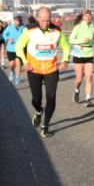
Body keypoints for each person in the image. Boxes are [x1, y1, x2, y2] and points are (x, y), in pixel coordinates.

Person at [15, 7, 70, 138]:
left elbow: (66, 46)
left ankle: (45, 125)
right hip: (34, 69)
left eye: (48, 20)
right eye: (43, 20)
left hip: (51, 69)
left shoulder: (57, 31)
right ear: (38, 18)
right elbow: (19, 46)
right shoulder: (29, 30)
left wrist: (65, 59)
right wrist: (25, 62)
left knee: (51, 97)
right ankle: (39, 112)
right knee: (36, 99)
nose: (45, 23)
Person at [69, 9, 94, 106]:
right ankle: (76, 91)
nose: (88, 17)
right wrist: (81, 41)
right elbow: (71, 40)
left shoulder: (93, 27)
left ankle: (88, 99)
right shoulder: (78, 26)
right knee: (79, 79)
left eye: (89, 15)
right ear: (82, 17)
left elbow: (93, 38)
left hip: (89, 53)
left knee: (89, 77)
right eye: (86, 15)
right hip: (79, 53)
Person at [2, 15, 25, 85]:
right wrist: (8, 39)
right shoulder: (10, 27)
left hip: (19, 49)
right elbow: (4, 34)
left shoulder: (23, 28)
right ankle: (12, 72)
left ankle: (17, 77)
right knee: (12, 64)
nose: (16, 22)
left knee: (18, 64)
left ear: (20, 21)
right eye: (15, 20)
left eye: (17, 21)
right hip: (10, 48)